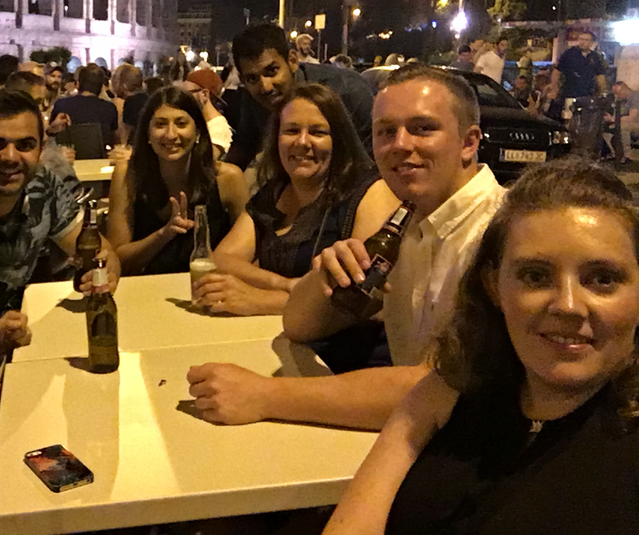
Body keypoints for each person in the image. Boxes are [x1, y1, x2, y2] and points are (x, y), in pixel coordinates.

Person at [325, 160, 639, 534]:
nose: (568, 305)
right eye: (535, 276)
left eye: (602, 279)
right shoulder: (451, 390)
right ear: (494, 286)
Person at [187, 65, 505, 430]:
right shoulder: (411, 220)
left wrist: (265, 395)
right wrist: (322, 279)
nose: (401, 144)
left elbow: (438, 388)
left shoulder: (497, 234)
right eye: (386, 131)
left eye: (422, 128)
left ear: (469, 142)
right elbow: (298, 326)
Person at [0, 89, 120, 362]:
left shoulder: (43, 185)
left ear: (41, 149)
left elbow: (99, 250)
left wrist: (105, 268)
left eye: (25, 145)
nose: (11, 156)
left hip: (21, 349)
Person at [193, 83, 397, 322]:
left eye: (318, 132)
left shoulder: (371, 192)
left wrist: (262, 300)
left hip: (343, 354)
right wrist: (287, 285)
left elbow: (362, 295)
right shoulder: (275, 190)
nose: (302, 142)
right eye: (291, 131)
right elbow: (222, 259)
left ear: (338, 140)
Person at [107, 86, 249, 275]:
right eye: (160, 124)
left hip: (210, 290)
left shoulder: (228, 178)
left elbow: (252, 253)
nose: (171, 134)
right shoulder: (128, 175)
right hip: (145, 292)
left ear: (198, 131)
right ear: (147, 134)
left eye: (181, 124)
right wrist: (164, 234)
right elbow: (116, 261)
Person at [225, 23, 374, 171]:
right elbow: (242, 150)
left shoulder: (347, 91)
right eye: (252, 78)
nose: (265, 86)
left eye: (272, 71)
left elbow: (373, 165)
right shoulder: (253, 98)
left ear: (293, 61)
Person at [51, 63, 119, 149]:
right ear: (101, 87)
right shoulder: (110, 108)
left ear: (78, 84)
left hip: (66, 159)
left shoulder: (60, 105)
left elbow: (51, 134)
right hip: (101, 160)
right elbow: (114, 139)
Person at [180, 69, 234, 158]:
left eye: (186, 93)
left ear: (205, 94)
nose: (181, 98)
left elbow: (204, 164)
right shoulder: (199, 122)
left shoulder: (218, 128)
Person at [552, 30, 607, 101]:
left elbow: (600, 75)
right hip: (570, 92)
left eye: (586, 40)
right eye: (581, 39)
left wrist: (603, 91)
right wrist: (554, 88)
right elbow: (557, 71)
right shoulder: (569, 54)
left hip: (588, 94)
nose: (583, 42)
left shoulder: (595, 57)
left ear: (592, 43)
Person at [605, 80, 639, 163]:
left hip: (636, 124)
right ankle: (615, 154)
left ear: (624, 90)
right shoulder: (620, 100)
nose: (616, 96)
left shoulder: (635, 97)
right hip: (622, 122)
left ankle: (627, 156)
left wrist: (613, 119)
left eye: (617, 93)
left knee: (622, 127)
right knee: (606, 130)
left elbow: (632, 118)